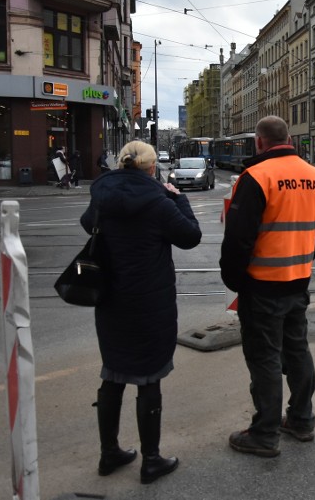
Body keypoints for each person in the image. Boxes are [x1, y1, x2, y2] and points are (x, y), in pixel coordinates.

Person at [80, 140, 202, 484]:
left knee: (113, 373)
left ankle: (109, 454)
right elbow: (191, 236)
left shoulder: (102, 198)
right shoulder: (158, 202)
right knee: (149, 377)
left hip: (111, 301)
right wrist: (178, 197)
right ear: (152, 169)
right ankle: (151, 460)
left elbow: (88, 225)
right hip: (150, 303)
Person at [220, 115, 315, 458]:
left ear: (259, 142)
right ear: (289, 139)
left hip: (262, 286)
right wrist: (299, 260)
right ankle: (301, 420)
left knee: (265, 357)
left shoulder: (256, 177)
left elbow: (238, 239)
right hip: (298, 281)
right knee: (297, 350)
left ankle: (265, 433)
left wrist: (236, 282)